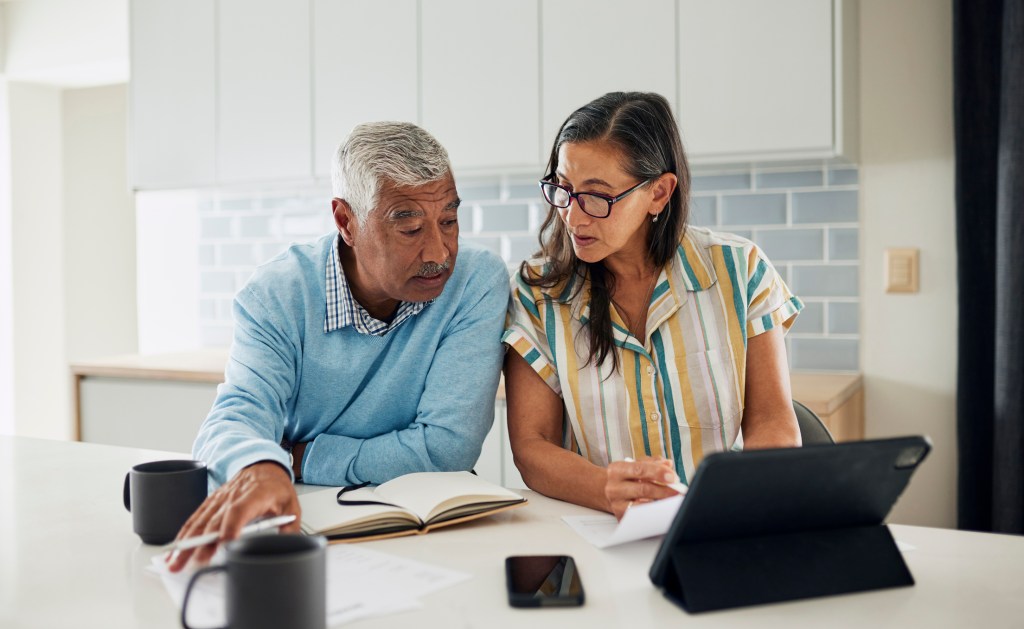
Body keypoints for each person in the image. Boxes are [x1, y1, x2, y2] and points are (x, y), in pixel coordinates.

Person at [168, 121, 509, 571]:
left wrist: (301, 457)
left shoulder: (475, 281)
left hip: (430, 525)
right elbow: (235, 419)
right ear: (346, 222)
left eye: (449, 220)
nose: (439, 253)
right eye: (409, 228)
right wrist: (261, 467)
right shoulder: (278, 294)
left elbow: (446, 449)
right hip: (303, 523)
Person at [503, 92, 804, 520]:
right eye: (563, 189)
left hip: (718, 520)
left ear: (659, 194)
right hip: (600, 527)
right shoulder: (537, 293)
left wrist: (755, 494)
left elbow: (772, 420)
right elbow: (533, 447)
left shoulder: (739, 270)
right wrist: (606, 490)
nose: (573, 216)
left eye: (597, 196)